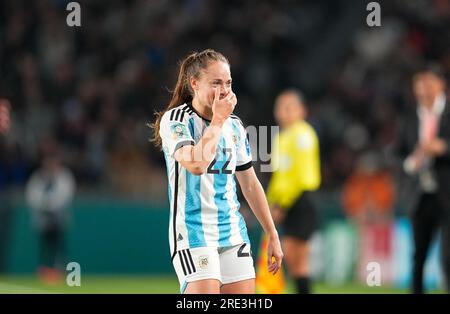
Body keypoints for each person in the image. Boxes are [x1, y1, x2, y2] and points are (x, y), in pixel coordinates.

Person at [150, 49, 283, 294]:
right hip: (194, 233)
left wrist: (272, 233)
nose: (224, 90)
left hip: (232, 232)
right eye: (216, 83)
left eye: (228, 83)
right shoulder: (176, 121)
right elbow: (197, 165)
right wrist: (218, 121)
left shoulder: (234, 126)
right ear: (194, 83)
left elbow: (250, 184)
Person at [396, 64, 450, 294]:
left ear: (441, 85)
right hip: (420, 194)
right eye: (419, 84)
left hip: (447, 194)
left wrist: (444, 147)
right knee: (418, 257)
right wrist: (410, 162)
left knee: (448, 257)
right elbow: (397, 151)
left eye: (428, 83)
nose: (423, 90)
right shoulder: (410, 115)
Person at [266, 89, 321, 294]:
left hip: (301, 200)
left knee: (298, 258)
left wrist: (282, 204)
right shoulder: (283, 137)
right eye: (280, 107)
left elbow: (300, 177)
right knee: (292, 257)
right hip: (287, 201)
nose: (283, 112)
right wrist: (272, 202)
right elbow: (280, 176)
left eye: (289, 107)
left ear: (302, 111)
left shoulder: (303, 135)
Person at [25, 143, 76, 284]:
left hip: (59, 221)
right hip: (43, 221)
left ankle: (62, 274)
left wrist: (49, 204)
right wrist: (45, 204)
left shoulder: (64, 176)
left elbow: (65, 196)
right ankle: (45, 273)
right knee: (45, 249)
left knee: (59, 248)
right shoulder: (38, 178)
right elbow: (32, 196)